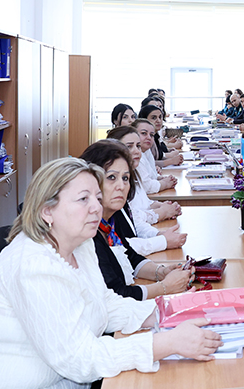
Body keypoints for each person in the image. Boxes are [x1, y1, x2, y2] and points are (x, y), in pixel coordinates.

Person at [0, 158, 220, 389]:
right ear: (46, 210)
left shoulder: (81, 243)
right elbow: (78, 358)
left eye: (97, 198)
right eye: (83, 199)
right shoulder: (33, 266)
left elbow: (103, 303)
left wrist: (163, 313)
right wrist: (166, 343)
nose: (96, 208)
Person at [80, 140, 193, 301]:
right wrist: (165, 287)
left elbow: (131, 257)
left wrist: (161, 272)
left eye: (125, 178)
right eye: (111, 177)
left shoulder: (112, 218)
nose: (121, 186)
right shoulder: (87, 231)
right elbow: (115, 294)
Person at [107, 126, 185, 255]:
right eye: (129, 146)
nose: (136, 151)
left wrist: (159, 234)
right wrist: (161, 215)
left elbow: (134, 220)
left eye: (138, 146)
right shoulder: (112, 187)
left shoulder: (130, 175)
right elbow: (121, 241)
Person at [132, 119, 176, 194]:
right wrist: (165, 184)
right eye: (144, 133)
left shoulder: (146, 151)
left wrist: (160, 178)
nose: (149, 137)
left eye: (151, 135)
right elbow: (146, 187)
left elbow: (151, 174)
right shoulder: (134, 155)